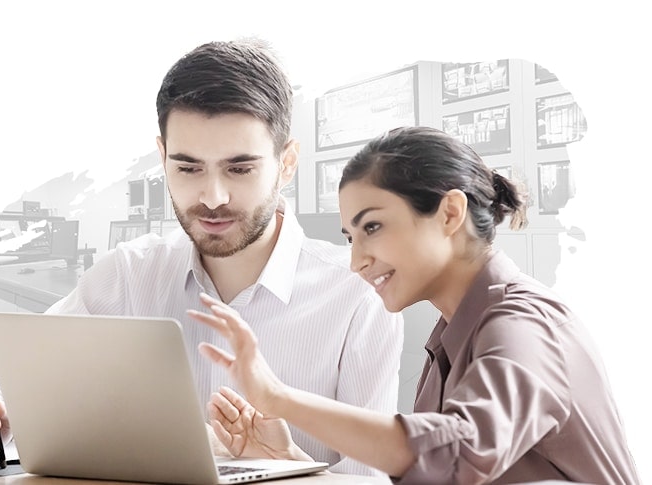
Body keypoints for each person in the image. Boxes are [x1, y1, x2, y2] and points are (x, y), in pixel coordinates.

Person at [0, 39, 404, 476]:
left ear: (286, 163)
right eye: (188, 167)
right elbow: (6, 378)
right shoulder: (128, 275)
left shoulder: (359, 296)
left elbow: (371, 480)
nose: (213, 197)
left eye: (239, 168)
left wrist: (288, 466)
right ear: (162, 157)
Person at [188, 126, 640, 484]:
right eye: (350, 237)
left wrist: (278, 398)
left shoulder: (523, 324)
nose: (356, 261)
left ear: (450, 213)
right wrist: (288, 460)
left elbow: (457, 455)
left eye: (372, 227)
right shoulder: (453, 336)